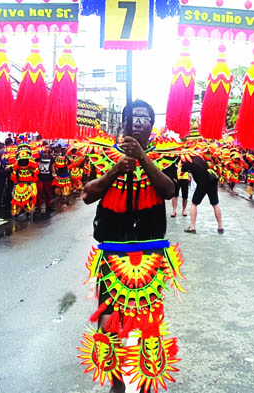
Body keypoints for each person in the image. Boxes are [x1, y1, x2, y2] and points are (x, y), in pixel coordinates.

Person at [79, 101, 179, 393]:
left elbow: (169, 190)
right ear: (123, 122)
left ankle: (147, 379)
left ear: (151, 123)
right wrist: (114, 171)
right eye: (133, 118)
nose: (138, 123)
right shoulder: (100, 155)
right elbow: (87, 195)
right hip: (112, 250)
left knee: (148, 318)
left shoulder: (164, 155)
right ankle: (117, 381)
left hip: (150, 251)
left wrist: (144, 160)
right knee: (109, 318)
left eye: (145, 118)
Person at [184, 154, 224, 234]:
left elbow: (182, 171)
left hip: (202, 184)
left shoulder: (187, 161)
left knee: (194, 204)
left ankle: (192, 227)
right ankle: (220, 226)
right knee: (215, 204)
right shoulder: (200, 157)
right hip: (212, 182)